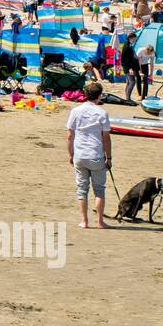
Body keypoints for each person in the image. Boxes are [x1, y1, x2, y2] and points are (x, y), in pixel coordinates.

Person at [66, 81, 112, 229]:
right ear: (98, 96)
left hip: (80, 154)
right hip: (95, 154)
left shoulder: (75, 111)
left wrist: (71, 155)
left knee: (82, 190)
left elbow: (70, 135)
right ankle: (99, 221)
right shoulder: (102, 113)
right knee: (99, 189)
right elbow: (106, 138)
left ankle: (84, 221)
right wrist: (109, 157)